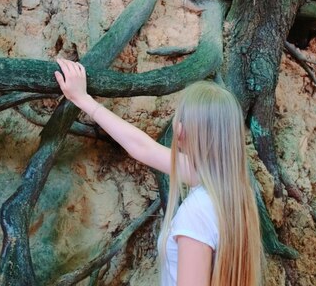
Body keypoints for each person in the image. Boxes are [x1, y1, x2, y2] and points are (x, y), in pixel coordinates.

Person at [55, 59, 263, 286]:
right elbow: (143, 148)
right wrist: (83, 100)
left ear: (181, 131)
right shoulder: (234, 193)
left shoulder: (197, 213)